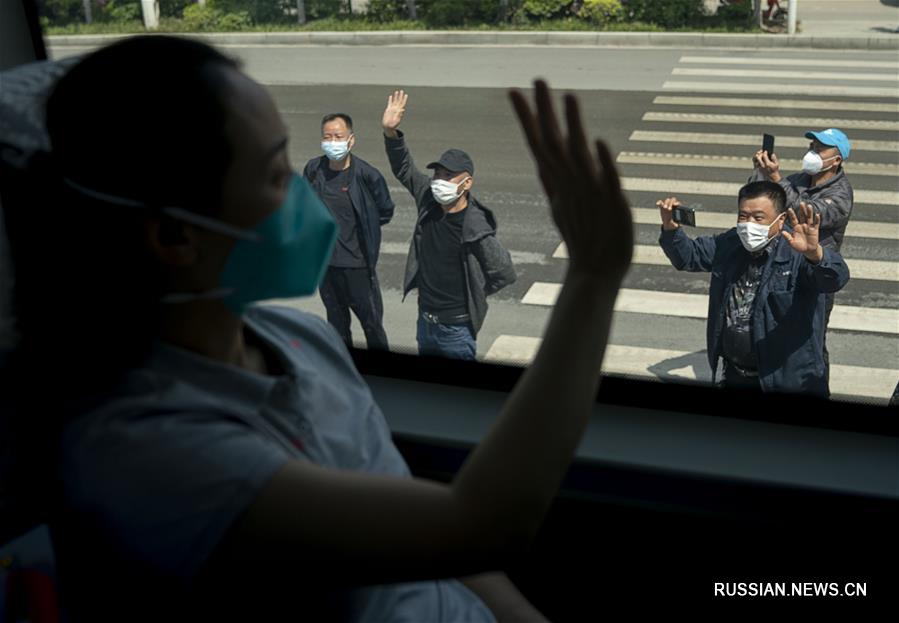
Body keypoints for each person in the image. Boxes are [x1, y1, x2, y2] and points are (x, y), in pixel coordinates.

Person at [0, 36, 633, 621]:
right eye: (278, 176)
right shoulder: (148, 457)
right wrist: (595, 275)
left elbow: (441, 550)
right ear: (172, 235)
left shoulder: (299, 341)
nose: (306, 193)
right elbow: (479, 525)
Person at [657, 181, 849, 398]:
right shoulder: (730, 243)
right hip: (736, 375)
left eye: (758, 218)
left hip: (787, 382)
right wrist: (671, 229)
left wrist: (815, 254)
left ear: (781, 219)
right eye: (743, 216)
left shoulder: (797, 252)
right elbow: (689, 257)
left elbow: (835, 278)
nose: (749, 225)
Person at [381, 91, 516, 360]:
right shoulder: (429, 200)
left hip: (456, 331)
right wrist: (390, 131)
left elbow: (504, 272)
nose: (439, 180)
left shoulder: (475, 227)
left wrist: (475, 291)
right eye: (437, 173)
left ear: (466, 184)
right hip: (425, 323)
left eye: (449, 175)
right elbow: (404, 168)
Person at [751, 128, 854, 381]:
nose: (812, 153)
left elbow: (805, 213)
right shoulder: (799, 179)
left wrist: (776, 178)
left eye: (819, 149)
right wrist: (761, 174)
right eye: (811, 147)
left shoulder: (840, 193)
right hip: (783, 269)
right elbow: (764, 203)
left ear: (836, 160)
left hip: (815, 275)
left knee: (810, 343)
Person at [303, 112, 394, 351]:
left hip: (358, 267)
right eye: (327, 137)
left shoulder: (367, 175)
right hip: (326, 267)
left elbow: (385, 211)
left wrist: (363, 231)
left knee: (372, 326)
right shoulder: (314, 170)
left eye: (338, 136)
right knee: (337, 327)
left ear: (351, 140)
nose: (333, 142)